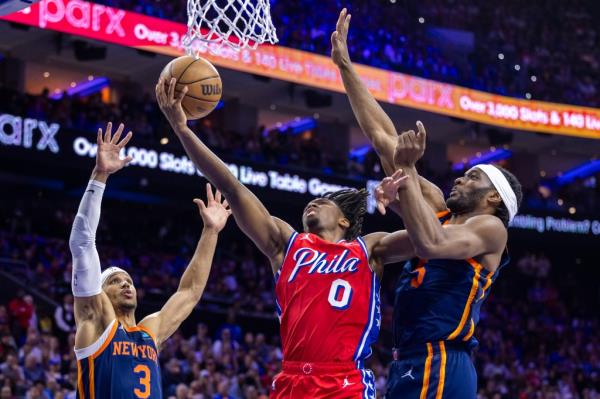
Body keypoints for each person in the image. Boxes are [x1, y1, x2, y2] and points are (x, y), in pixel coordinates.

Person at [156, 77, 419, 398]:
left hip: (345, 380)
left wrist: (403, 196)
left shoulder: (369, 248)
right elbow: (231, 186)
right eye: (312, 201)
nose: (313, 203)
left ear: (343, 220)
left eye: (323, 202)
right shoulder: (287, 243)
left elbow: (427, 238)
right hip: (292, 378)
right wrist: (183, 130)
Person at [68, 122, 231, 398]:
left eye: (128, 280)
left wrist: (211, 232)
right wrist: (100, 175)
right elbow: (82, 244)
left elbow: (189, 293)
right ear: (100, 292)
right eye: (115, 281)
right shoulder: (95, 321)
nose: (125, 284)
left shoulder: (149, 332)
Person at [374, 123, 522, 398]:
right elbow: (383, 140)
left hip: (441, 357)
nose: (459, 180)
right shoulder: (438, 216)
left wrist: (406, 169)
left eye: (473, 177)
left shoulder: (492, 228)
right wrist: (350, 77)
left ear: (493, 197)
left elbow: (431, 243)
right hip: (406, 358)